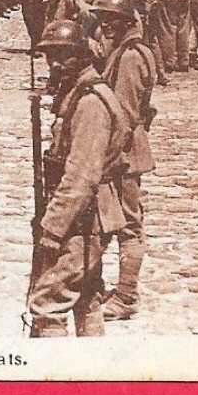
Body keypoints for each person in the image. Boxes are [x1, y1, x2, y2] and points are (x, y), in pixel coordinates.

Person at [26, 19, 126, 338]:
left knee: (48, 302)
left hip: (83, 219)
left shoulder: (90, 104)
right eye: (49, 55)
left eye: (64, 55)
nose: (55, 63)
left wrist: (53, 228)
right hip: (86, 215)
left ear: (83, 55)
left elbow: (81, 176)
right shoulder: (78, 94)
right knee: (86, 295)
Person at [89, 0, 158, 321]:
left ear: (127, 21)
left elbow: (126, 114)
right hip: (123, 149)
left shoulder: (130, 57)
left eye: (112, 20)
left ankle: (127, 296)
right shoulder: (125, 50)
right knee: (105, 221)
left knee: (129, 225)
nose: (105, 26)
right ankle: (98, 285)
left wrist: (105, 156)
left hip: (124, 153)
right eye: (102, 20)